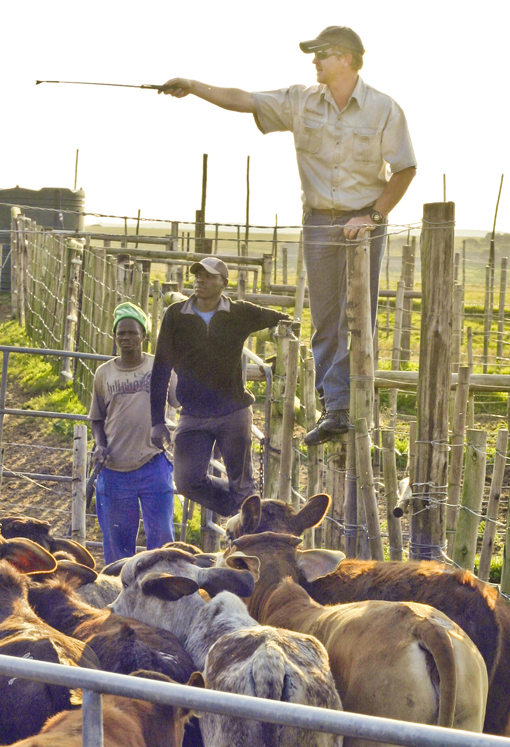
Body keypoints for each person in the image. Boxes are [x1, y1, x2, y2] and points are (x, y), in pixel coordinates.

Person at [159, 26, 416, 445]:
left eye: (322, 54)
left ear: (346, 59)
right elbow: (245, 99)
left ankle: (355, 405)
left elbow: (405, 167)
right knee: (326, 317)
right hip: (319, 221)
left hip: (364, 222)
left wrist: (372, 215)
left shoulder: (384, 109)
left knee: (360, 316)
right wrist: (194, 86)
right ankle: (335, 408)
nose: (314, 61)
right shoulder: (300, 100)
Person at [150, 256, 289, 517]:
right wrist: (156, 420)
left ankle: (248, 529)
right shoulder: (176, 315)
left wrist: (282, 353)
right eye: (197, 274)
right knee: (187, 481)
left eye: (209, 276)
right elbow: (160, 369)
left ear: (224, 283)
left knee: (242, 482)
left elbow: (283, 320)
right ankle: (240, 509)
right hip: (192, 414)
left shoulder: (238, 313)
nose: (200, 280)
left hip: (232, 412)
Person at [90, 302, 177, 563]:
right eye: (121, 333)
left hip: (152, 464)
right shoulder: (104, 374)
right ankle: (121, 596)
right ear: (115, 337)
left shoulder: (158, 367)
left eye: (132, 332)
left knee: (162, 539)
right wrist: (99, 445)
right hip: (115, 470)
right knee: (118, 546)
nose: (126, 338)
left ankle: (162, 594)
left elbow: (176, 399)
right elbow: (97, 419)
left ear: (144, 336)